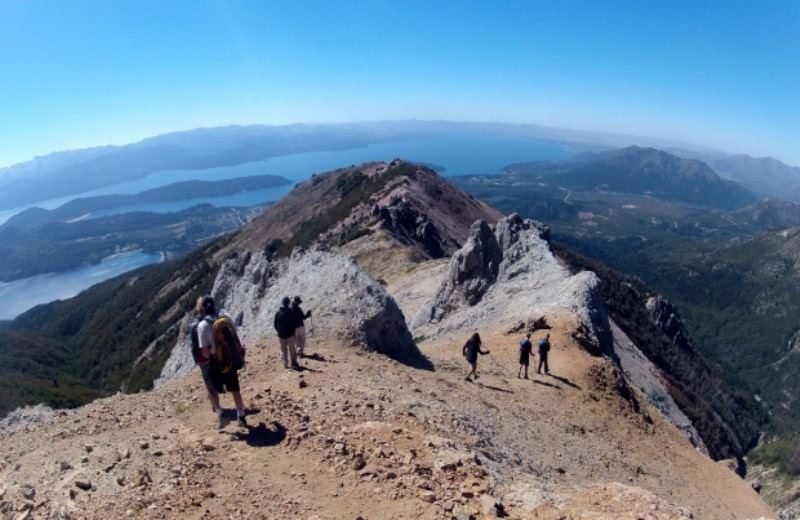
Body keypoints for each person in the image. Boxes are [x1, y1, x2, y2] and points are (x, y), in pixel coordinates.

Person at [197, 295, 248, 429]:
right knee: (235, 389)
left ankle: (220, 415)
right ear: (214, 305)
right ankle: (241, 415)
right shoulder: (225, 316)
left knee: (212, 390)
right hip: (229, 359)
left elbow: (205, 352)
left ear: (202, 309)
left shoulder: (202, 326)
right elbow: (235, 335)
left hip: (215, 362)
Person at [191, 296, 221, 416]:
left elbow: (194, 346)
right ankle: (216, 405)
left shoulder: (195, 325)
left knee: (209, 384)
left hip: (204, 359)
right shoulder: (216, 319)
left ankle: (217, 408)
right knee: (216, 379)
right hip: (217, 354)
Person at [274, 296, 299, 369]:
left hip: (281, 335)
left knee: (283, 350)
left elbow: (275, 324)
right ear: (288, 303)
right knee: (292, 349)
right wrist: (293, 332)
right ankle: (294, 363)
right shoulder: (290, 311)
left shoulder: (278, 312)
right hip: (289, 335)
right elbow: (293, 323)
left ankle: (285, 363)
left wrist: (279, 331)